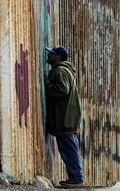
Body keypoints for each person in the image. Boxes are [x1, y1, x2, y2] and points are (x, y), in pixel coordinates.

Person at [45, 46, 84, 188]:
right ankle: (76, 177)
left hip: (65, 119)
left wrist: (47, 84)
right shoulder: (64, 70)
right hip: (67, 118)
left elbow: (62, 89)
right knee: (70, 148)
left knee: (69, 149)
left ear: (59, 57)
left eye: (52, 54)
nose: (49, 55)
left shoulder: (60, 70)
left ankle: (76, 178)